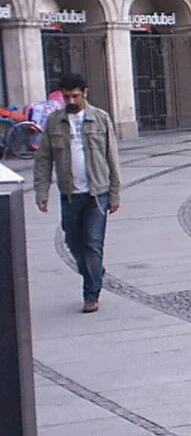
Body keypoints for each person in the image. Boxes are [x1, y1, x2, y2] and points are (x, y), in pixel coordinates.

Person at [33, 72, 121, 314]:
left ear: (85, 93)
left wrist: (115, 194)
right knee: (72, 241)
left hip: (97, 193)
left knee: (93, 243)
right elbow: (43, 159)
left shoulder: (100, 119)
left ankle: (91, 293)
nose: (70, 101)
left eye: (75, 96)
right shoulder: (54, 122)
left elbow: (112, 158)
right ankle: (94, 271)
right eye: (66, 97)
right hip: (70, 194)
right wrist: (41, 191)